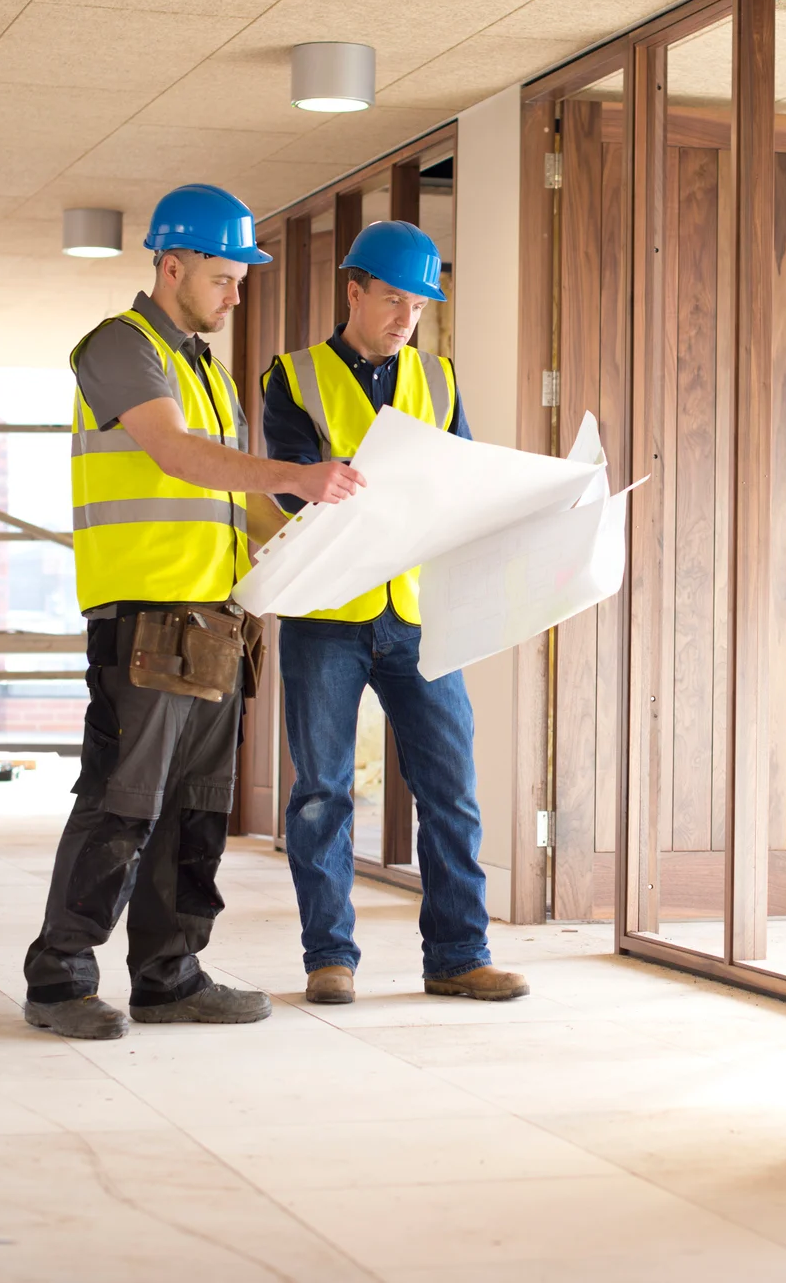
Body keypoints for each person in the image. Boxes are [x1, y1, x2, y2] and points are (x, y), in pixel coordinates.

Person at [22, 183, 365, 1041]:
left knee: (195, 807)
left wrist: (323, 538)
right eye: (223, 276)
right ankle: (60, 981)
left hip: (214, 626)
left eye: (241, 278)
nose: (235, 294)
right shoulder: (121, 347)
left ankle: (169, 976)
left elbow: (242, 506)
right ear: (170, 266)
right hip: (142, 620)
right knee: (120, 802)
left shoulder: (205, 369)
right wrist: (294, 474)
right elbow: (173, 454)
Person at [260, 220, 528, 1006]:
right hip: (325, 614)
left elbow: (463, 479)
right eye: (390, 300)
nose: (403, 317)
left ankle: (458, 955)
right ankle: (329, 958)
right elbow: (287, 485)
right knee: (322, 791)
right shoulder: (295, 375)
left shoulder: (438, 380)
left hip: (414, 616)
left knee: (450, 787)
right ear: (353, 290)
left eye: (416, 305)